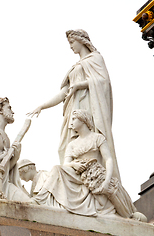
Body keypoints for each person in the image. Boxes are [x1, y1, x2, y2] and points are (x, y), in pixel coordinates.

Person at [29, 29, 118, 172]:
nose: (70, 46)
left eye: (72, 42)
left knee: (91, 143)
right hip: (72, 110)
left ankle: (94, 173)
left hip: (88, 106)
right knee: (64, 147)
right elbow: (63, 93)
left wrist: (80, 85)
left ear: (81, 40)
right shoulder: (75, 67)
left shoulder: (95, 58)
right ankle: (72, 174)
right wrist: (42, 106)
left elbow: (103, 81)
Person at [33, 109, 142, 219]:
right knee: (57, 168)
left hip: (94, 174)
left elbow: (108, 159)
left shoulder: (97, 138)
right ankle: (41, 198)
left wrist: (107, 180)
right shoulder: (72, 144)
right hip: (77, 173)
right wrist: (73, 165)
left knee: (110, 194)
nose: (71, 123)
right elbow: (66, 164)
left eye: (74, 119)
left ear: (83, 120)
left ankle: (128, 216)